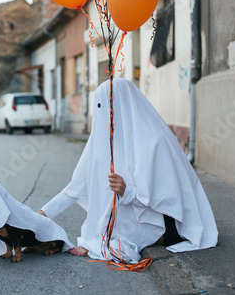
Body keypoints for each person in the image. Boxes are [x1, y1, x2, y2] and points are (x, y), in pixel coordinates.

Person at [38, 78, 218, 263]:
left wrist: (127, 191)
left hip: (165, 221)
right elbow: (75, 187)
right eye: (98, 107)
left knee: (110, 244)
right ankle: (106, 239)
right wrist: (42, 214)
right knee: (102, 233)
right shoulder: (101, 140)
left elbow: (168, 199)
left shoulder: (154, 140)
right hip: (133, 216)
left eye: (107, 106)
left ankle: (115, 240)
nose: (103, 114)